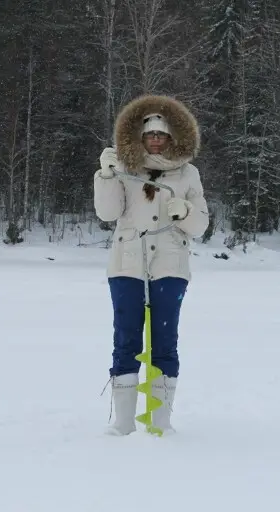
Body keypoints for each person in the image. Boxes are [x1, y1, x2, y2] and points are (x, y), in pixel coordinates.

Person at [93, 94, 209, 435]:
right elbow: (108, 213)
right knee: (126, 339)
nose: (155, 139)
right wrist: (106, 176)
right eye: (150, 134)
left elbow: (201, 225)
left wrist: (185, 212)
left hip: (170, 266)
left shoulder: (188, 174)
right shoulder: (122, 168)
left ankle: (161, 423)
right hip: (127, 264)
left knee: (165, 341)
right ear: (140, 137)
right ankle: (124, 423)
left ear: (173, 137)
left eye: (161, 134)